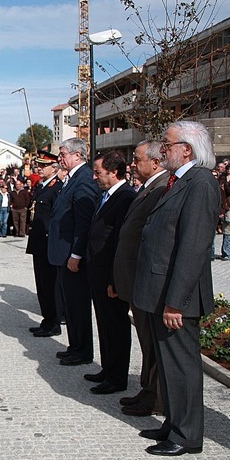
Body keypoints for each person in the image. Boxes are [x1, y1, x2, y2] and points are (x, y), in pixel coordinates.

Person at [133, 120, 219, 456]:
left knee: (181, 366)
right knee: (168, 365)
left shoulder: (200, 183)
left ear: (187, 149)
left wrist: (176, 303)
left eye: (167, 145)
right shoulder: (178, 182)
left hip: (175, 296)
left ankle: (186, 436)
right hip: (159, 289)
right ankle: (173, 423)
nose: (163, 150)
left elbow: (193, 247)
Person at [112, 140, 168, 417]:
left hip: (146, 279)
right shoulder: (147, 187)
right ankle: (147, 390)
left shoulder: (161, 189)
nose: (132, 164)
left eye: (137, 159)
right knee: (146, 341)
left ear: (155, 162)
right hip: (135, 279)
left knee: (153, 343)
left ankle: (155, 397)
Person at [84, 151, 136, 395]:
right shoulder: (106, 195)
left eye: (98, 172)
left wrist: (115, 280)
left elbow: (120, 242)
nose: (95, 177)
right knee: (104, 324)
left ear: (114, 172)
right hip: (98, 272)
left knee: (115, 326)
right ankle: (107, 368)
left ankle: (117, 377)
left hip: (111, 276)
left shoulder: (125, 197)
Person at [49, 137, 99, 366]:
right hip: (64, 253)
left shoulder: (84, 179)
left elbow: (83, 221)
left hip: (73, 255)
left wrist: (76, 254)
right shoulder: (72, 178)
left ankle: (82, 351)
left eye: (63, 154)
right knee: (70, 305)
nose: (60, 158)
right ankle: (75, 346)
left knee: (78, 306)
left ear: (78, 155)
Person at [26, 152, 64, 337]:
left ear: (54, 168)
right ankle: (46, 320)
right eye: (38, 165)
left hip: (49, 243)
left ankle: (54, 322)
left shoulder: (57, 187)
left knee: (51, 285)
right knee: (41, 285)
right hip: (38, 242)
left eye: (43, 166)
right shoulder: (41, 186)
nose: (39, 168)